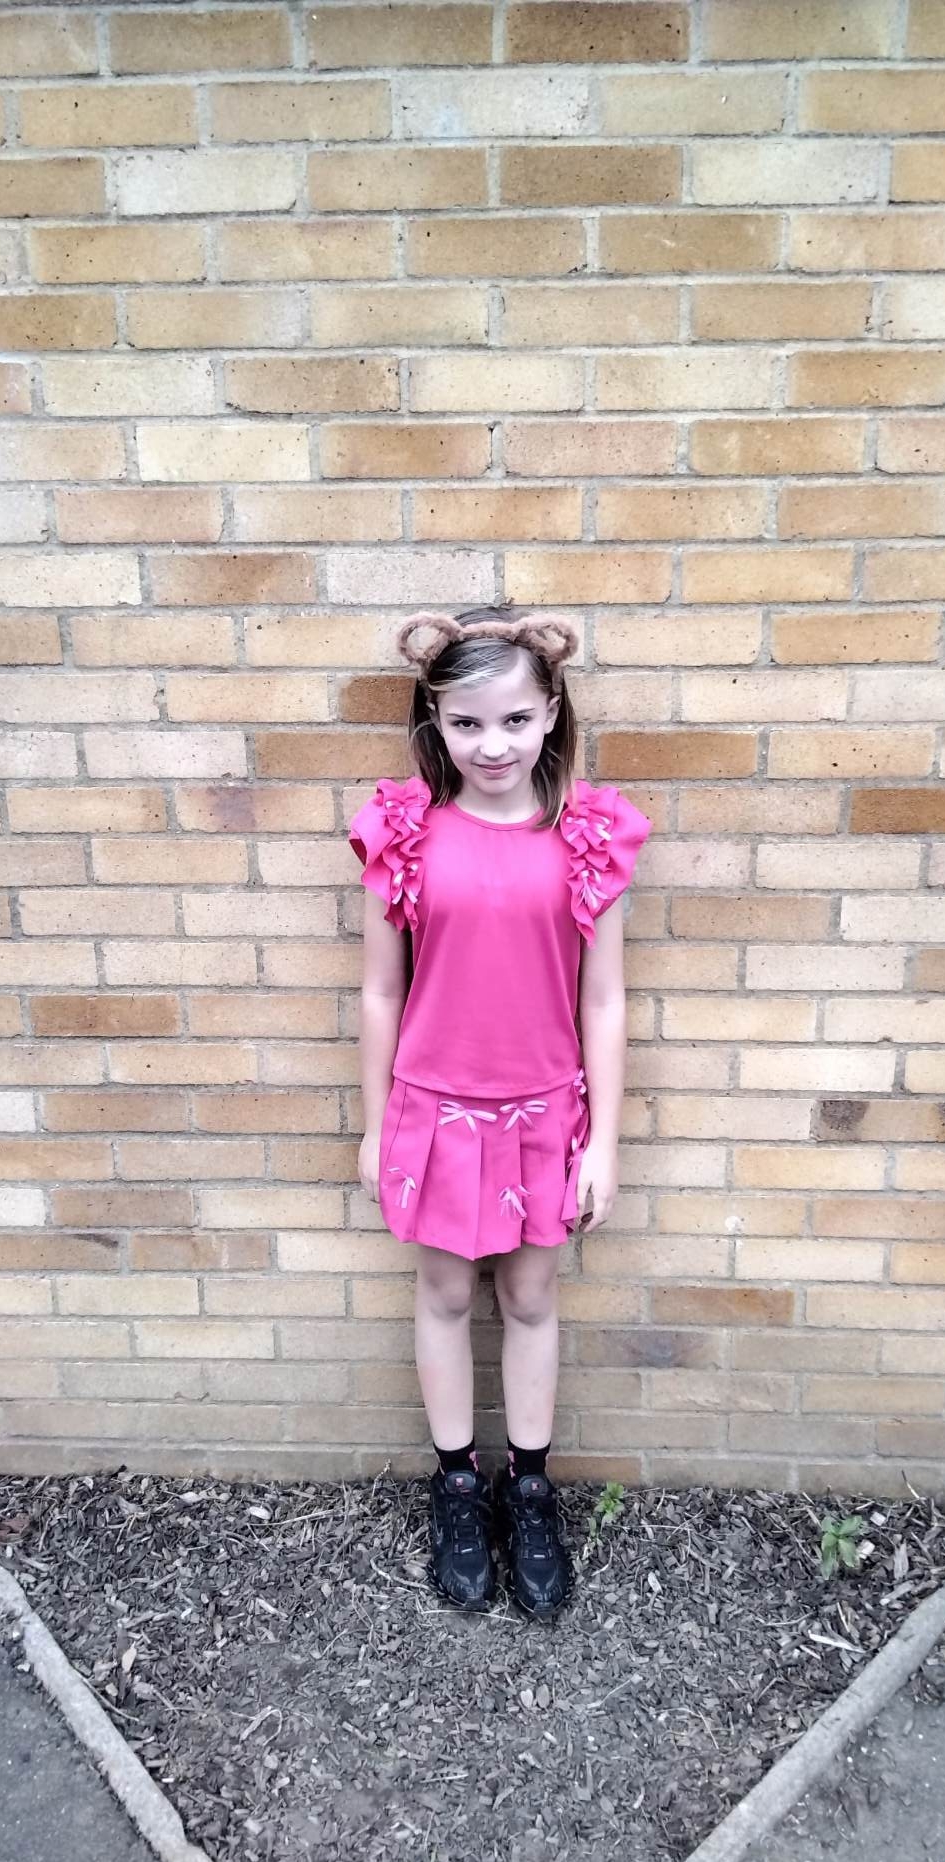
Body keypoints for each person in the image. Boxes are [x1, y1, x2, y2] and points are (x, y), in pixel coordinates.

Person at [348, 605, 651, 1620]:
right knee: (442, 1294)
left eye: (515, 720)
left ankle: (528, 1488)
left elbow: (603, 1001)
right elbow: (380, 992)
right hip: (434, 1111)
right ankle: (455, 1486)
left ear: (551, 713)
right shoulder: (404, 835)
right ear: (433, 723)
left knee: (528, 1298)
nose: (492, 745)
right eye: (467, 723)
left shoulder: (587, 838)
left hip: (542, 1114)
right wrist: (374, 1124)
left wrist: (603, 1143)